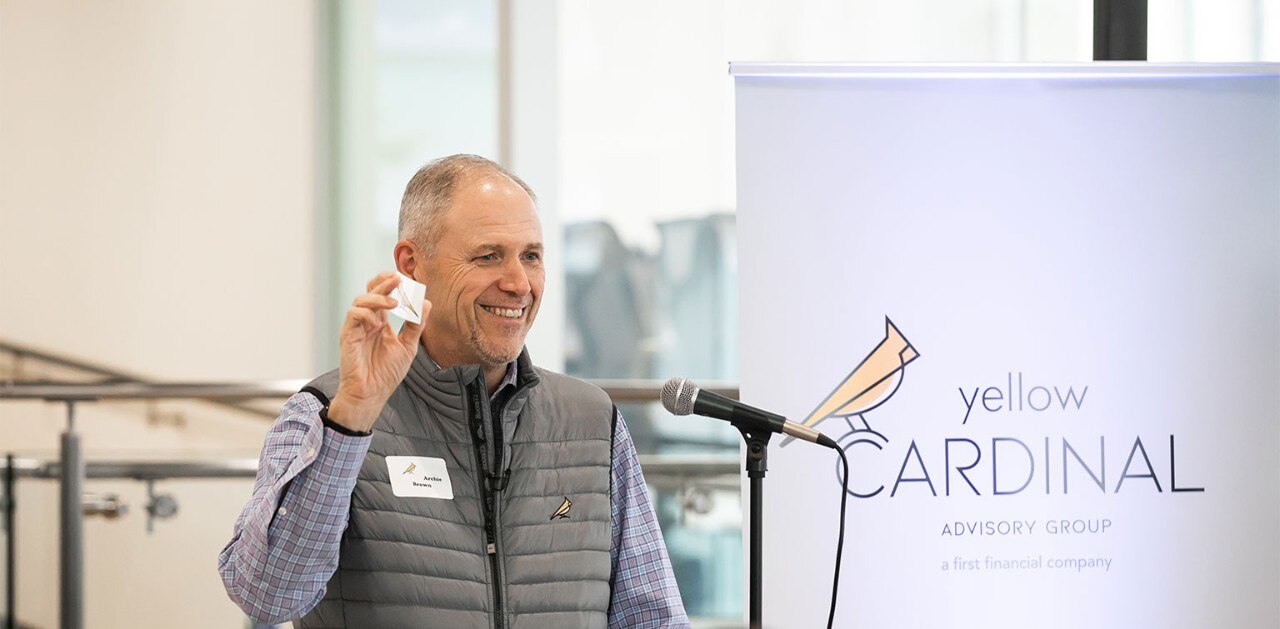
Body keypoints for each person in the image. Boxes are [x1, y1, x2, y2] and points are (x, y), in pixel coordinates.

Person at [218, 154, 689, 628]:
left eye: (531, 256)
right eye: (488, 256)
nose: (519, 283)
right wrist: (352, 420)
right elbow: (268, 597)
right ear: (411, 265)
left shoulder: (592, 420)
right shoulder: (322, 415)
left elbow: (652, 618)